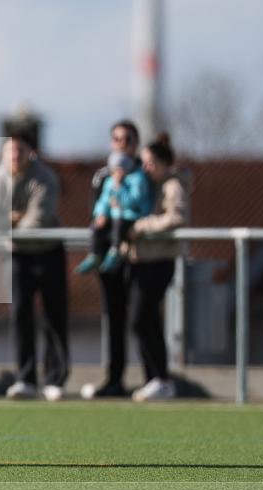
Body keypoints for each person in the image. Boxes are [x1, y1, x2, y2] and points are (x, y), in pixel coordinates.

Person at [0, 132, 69, 401]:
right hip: (17, 254)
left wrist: (11, 221)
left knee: (54, 315)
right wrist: (14, 219)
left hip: (48, 252)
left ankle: (55, 379)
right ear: (4, 153)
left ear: (31, 152)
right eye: (10, 151)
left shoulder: (46, 178)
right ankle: (25, 379)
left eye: (20, 150)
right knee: (20, 315)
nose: (15, 156)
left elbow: (38, 220)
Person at [80, 120, 146, 399]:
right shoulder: (102, 175)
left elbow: (143, 204)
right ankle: (115, 378)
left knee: (141, 318)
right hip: (110, 256)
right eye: (117, 139)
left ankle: (154, 378)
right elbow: (98, 210)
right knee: (115, 318)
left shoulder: (143, 171)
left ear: (135, 143)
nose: (122, 144)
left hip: (138, 254)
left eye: (127, 139)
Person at [127, 133, 188, 401]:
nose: (145, 167)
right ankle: (154, 378)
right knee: (144, 320)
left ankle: (161, 377)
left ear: (164, 163)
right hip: (142, 260)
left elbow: (176, 217)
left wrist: (142, 226)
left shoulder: (173, 186)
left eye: (150, 162)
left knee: (141, 318)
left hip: (159, 261)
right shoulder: (148, 186)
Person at [75, 151, 151, 274]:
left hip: (132, 215)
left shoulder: (138, 179)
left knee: (118, 224)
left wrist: (119, 187)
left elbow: (133, 201)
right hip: (115, 215)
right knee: (96, 227)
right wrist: (101, 214)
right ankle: (93, 255)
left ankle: (115, 252)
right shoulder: (110, 181)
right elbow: (104, 200)